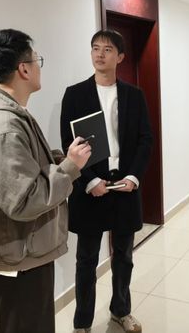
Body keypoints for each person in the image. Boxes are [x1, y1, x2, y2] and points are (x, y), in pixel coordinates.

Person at [0, 29, 91, 333]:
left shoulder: (10, 114)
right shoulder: (3, 125)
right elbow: (23, 200)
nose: (38, 67)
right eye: (37, 60)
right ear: (23, 69)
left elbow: (23, 174)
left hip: (23, 252)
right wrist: (70, 168)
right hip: (19, 257)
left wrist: (59, 159)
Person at [60, 29, 152, 333]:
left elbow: (145, 140)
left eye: (108, 49)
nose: (100, 54)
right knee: (86, 259)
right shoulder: (75, 94)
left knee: (124, 256)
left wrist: (134, 176)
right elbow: (69, 143)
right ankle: (82, 323)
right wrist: (88, 181)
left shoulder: (134, 95)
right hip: (90, 189)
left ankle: (121, 311)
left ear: (120, 57)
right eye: (95, 48)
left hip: (124, 186)